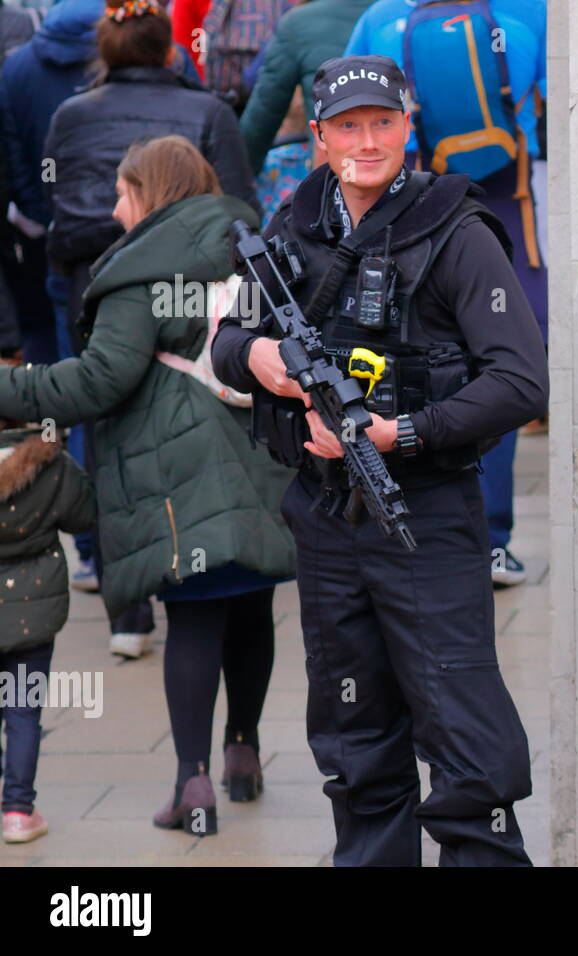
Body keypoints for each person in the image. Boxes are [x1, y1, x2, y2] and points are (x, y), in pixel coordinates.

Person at [212, 55, 547, 866]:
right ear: (320, 137)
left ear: (409, 127)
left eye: (384, 123)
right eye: (349, 127)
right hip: (326, 520)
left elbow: (520, 381)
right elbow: (224, 343)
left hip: (424, 518)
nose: (368, 141)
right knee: (354, 738)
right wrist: (260, 360)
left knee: (464, 739)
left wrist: (400, 434)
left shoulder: (455, 230)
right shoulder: (295, 223)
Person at [0, 135, 297, 836]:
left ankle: (192, 782)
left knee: (194, 618)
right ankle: (244, 752)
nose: (114, 207)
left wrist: (8, 385)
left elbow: (99, 380)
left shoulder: (141, 272)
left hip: (178, 471)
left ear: (149, 194)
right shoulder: (248, 245)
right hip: (257, 456)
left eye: (122, 192)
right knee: (252, 602)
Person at [39, 0, 261, 657]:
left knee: (103, 422)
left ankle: (126, 603)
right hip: (193, 289)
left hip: (92, 279)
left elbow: (41, 186)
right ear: (172, 50)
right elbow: (240, 207)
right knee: (190, 421)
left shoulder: (70, 114)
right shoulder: (209, 113)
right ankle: (211, 562)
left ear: (102, 53)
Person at [345, 0, 546, 587]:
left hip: (408, 204)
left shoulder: (382, 18)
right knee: (497, 370)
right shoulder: (525, 11)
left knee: (399, 357)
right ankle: (493, 539)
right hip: (506, 202)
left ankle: (405, 523)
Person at [0, 404, 96, 845]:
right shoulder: (51, 463)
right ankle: (18, 810)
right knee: (23, 712)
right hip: (34, 609)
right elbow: (83, 518)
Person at [237, 0, 375, 176]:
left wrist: (241, 181)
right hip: (406, 168)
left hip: (333, 173)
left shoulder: (298, 23)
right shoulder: (407, 14)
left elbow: (264, 113)